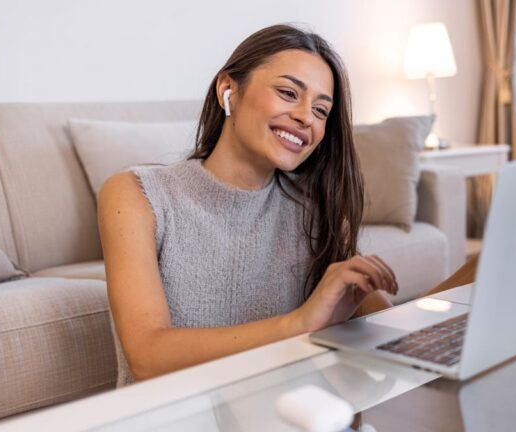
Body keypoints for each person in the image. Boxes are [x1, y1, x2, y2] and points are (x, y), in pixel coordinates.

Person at [98, 24, 476, 386]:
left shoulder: (314, 212)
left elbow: (400, 343)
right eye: (288, 92)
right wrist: (299, 323)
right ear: (228, 89)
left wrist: (480, 272)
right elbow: (147, 358)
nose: (305, 117)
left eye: (321, 110)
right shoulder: (138, 195)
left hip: (285, 415)